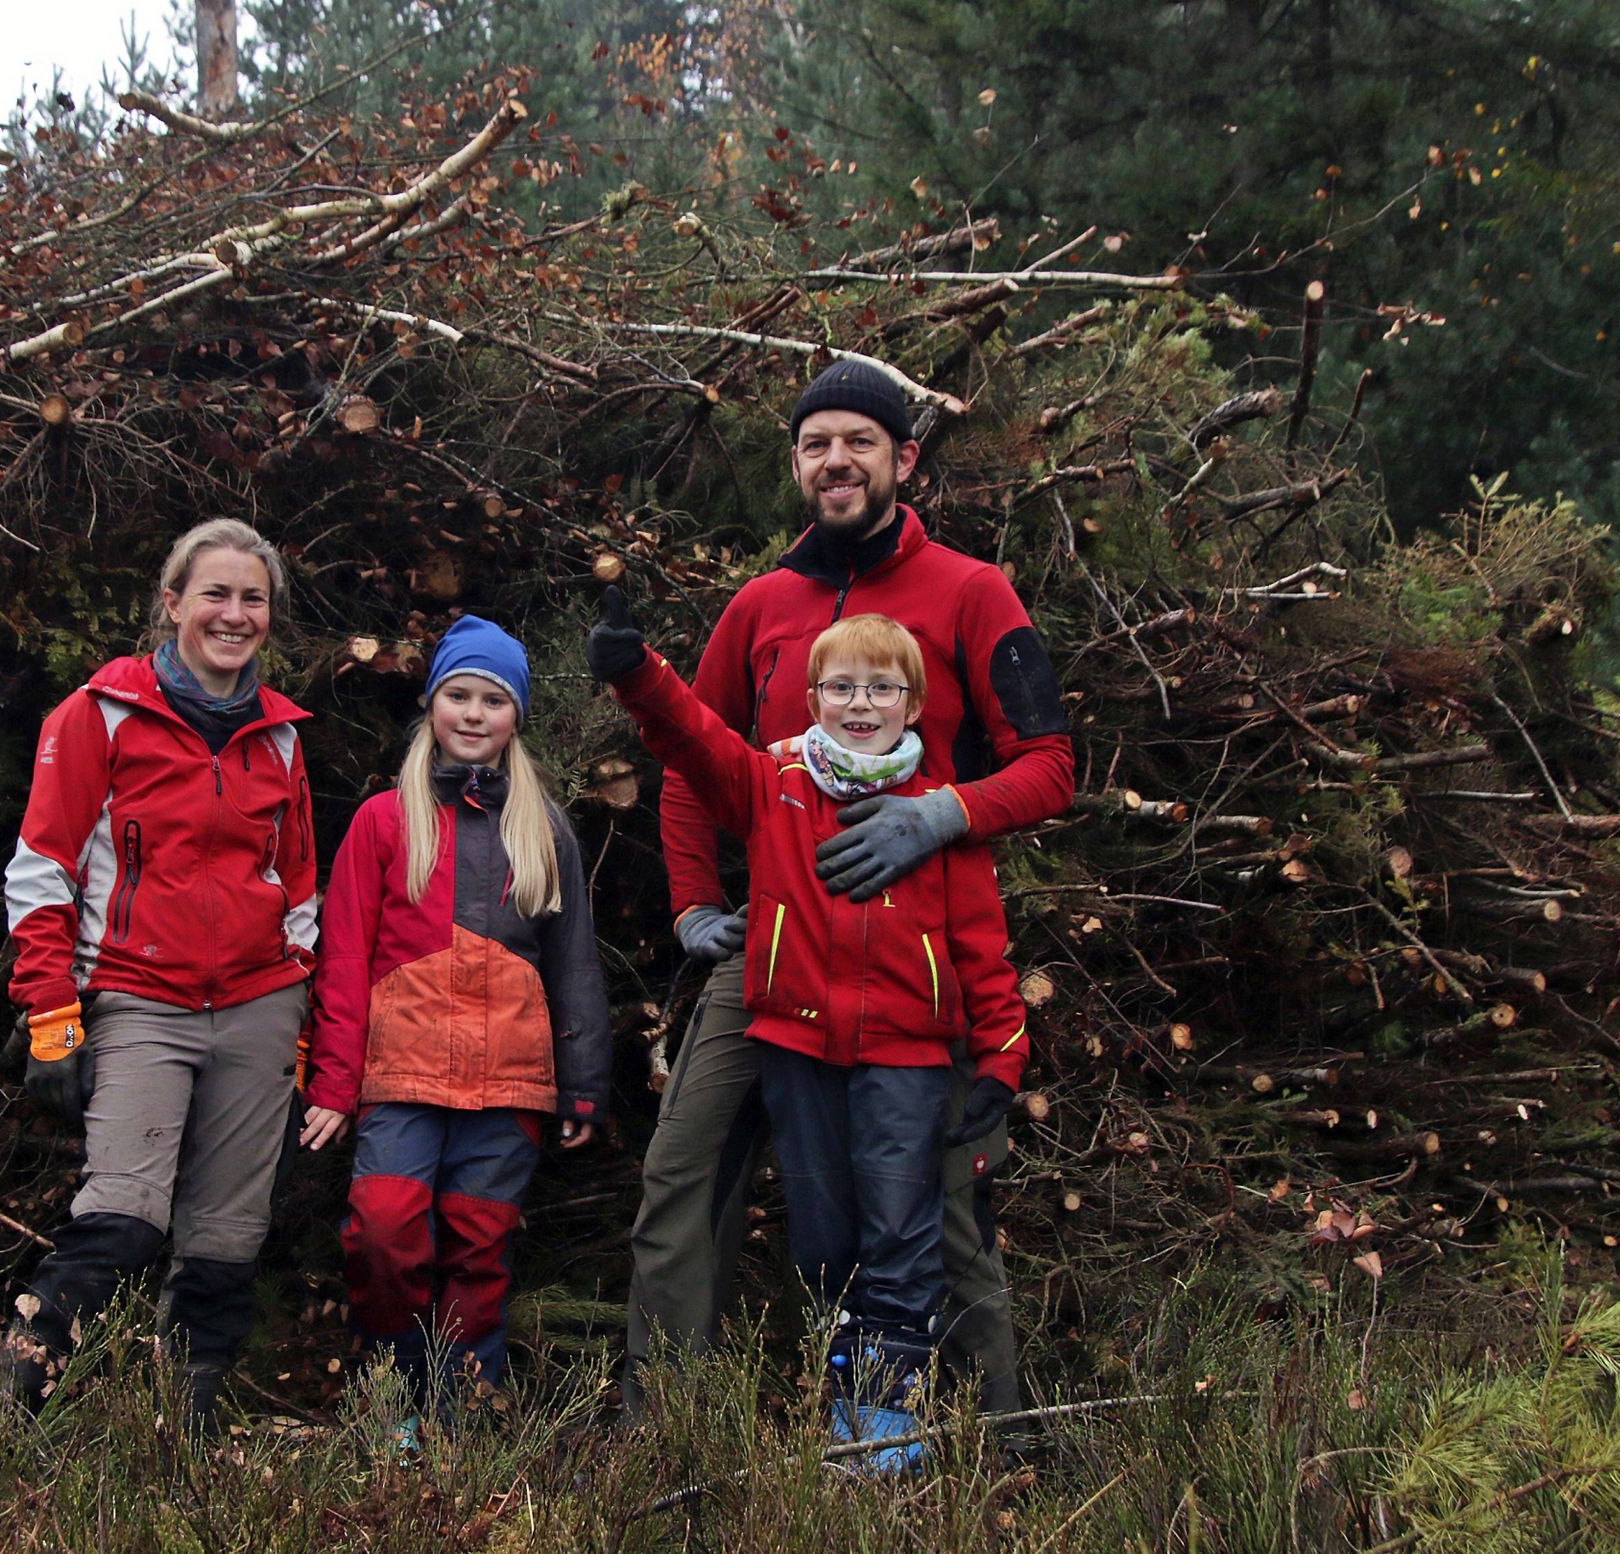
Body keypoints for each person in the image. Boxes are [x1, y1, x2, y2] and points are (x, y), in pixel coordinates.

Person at [623, 358, 1075, 1418]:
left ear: (902, 459)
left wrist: (939, 815)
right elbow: (697, 760)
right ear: (797, 464)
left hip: (911, 948)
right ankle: (668, 1426)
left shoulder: (972, 591)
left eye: (860, 441)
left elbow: (1051, 762)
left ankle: (990, 1438)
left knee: (935, 1203)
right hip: (773, 949)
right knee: (681, 1181)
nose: (838, 460)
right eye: (818, 443)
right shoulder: (761, 607)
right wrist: (695, 908)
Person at [590, 601, 1029, 1463]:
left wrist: (1002, 1060)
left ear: (914, 704)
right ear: (810, 696)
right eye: (840, 687)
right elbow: (693, 739)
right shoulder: (775, 782)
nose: (859, 704)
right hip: (796, 1045)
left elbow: (984, 947)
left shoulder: (939, 813)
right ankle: (840, 1380)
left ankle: (885, 1421)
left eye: (881, 689)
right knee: (826, 1237)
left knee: (902, 1230)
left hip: (905, 1051)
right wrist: (638, 675)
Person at [0, 518, 318, 1437]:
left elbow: (297, 891)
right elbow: (40, 873)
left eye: (252, 598)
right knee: (123, 1223)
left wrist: (300, 1025)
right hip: (141, 998)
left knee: (226, 1243)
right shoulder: (98, 714)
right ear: (172, 603)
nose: (234, 613)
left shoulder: (284, 739)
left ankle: (185, 1450)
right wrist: (53, 1017)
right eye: (214, 594)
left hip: (259, 1007)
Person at [300, 616, 611, 1435]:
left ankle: (465, 1410)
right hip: (398, 1077)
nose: (474, 714)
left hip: (509, 1082)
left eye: (494, 700)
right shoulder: (382, 821)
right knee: (383, 1231)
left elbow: (574, 963)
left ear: (517, 717)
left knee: (478, 1247)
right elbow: (342, 963)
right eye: (458, 695)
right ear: (433, 704)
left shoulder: (545, 829)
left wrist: (582, 1086)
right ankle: (390, 1393)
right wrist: (332, 1085)